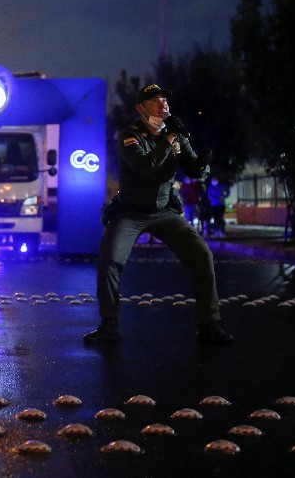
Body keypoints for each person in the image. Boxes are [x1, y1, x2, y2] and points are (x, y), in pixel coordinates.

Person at [85, 84, 233, 346]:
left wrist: (203, 164)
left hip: (164, 210)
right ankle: (109, 326)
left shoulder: (175, 135)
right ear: (140, 108)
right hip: (131, 211)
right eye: (154, 100)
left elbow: (195, 169)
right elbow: (145, 166)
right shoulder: (130, 135)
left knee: (202, 255)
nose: (162, 103)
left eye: (164, 99)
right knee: (109, 261)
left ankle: (209, 325)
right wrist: (169, 139)